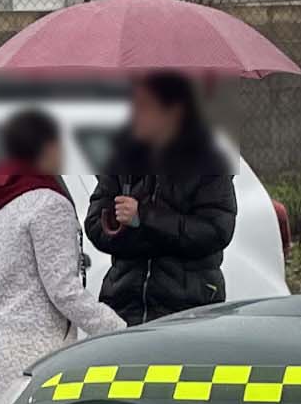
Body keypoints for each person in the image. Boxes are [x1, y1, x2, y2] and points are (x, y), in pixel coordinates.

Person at [0, 108, 122, 404]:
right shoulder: (48, 203)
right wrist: (117, 330)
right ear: (45, 148)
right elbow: (63, 290)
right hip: (35, 357)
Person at [87, 71, 239, 323]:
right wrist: (122, 225)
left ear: (174, 112)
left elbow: (215, 231)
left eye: (145, 107)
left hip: (187, 311)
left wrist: (145, 218)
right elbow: (96, 225)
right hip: (125, 307)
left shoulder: (208, 163)